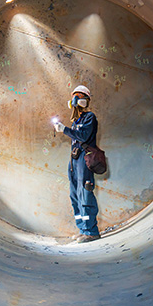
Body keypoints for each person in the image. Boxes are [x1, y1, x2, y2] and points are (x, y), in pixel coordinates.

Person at [54, 85, 100, 243]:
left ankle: (92, 232)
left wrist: (65, 129)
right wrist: (66, 128)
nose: (75, 99)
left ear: (84, 101)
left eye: (78, 96)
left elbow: (83, 136)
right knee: (75, 196)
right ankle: (83, 229)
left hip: (84, 161)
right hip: (74, 161)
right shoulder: (76, 121)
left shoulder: (89, 117)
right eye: (74, 96)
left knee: (85, 194)